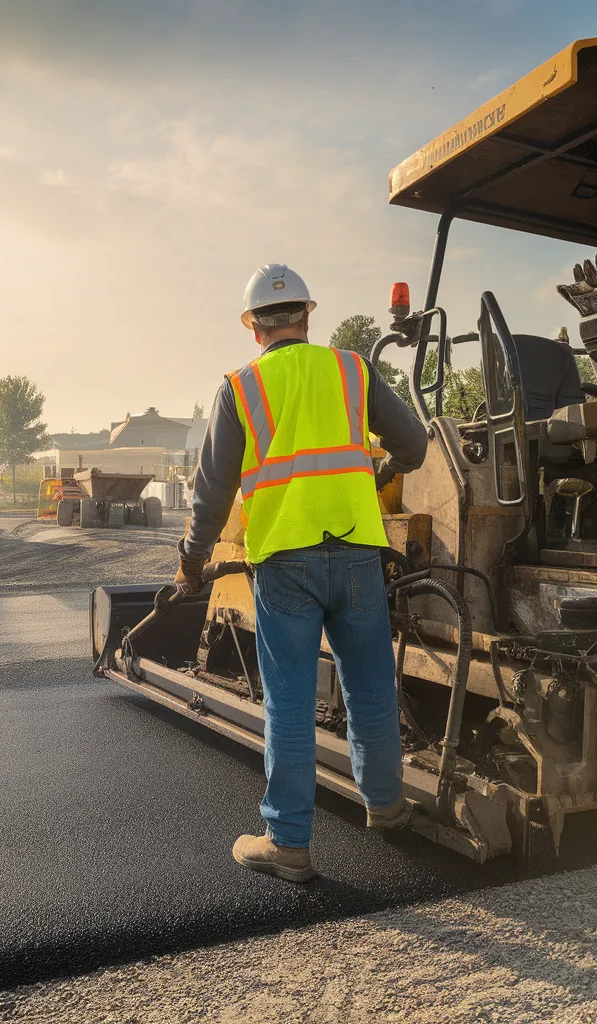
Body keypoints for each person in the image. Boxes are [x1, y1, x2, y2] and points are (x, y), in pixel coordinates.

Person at [174, 263, 428, 882]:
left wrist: (191, 558)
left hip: (284, 562)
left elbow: (212, 491)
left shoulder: (240, 386)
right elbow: (416, 446)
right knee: (370, 686)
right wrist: (374, 474)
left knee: (288, 700)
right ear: (308, 316)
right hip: (359, 553)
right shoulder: (352, 369)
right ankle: (387, 806)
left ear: (250, 325)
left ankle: (288, 842)